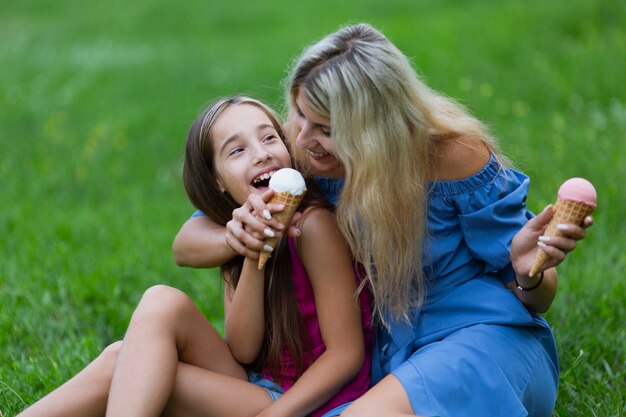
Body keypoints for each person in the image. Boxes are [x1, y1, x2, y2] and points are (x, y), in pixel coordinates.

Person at [172, 24, 594, 417]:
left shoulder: (453, 158)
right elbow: (188, 240)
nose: (298, 139)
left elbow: (536, 297)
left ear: (373, 132)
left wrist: (528, 272)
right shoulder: (309, 150)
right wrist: (236, 236)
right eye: (298, 114)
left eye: (323, 128)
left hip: (480, 341)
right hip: (390, 358)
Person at [18, 96, 373, 417]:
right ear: (217, 181)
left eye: (268, 138)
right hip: (259, 385)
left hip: (308, 403)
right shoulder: (236, 231)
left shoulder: (314, 226)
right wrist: (253, 252)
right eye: (237, 151)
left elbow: (346, 355)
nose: (261, 153)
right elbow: (243, 349)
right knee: (147, 321)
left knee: (127, 365)